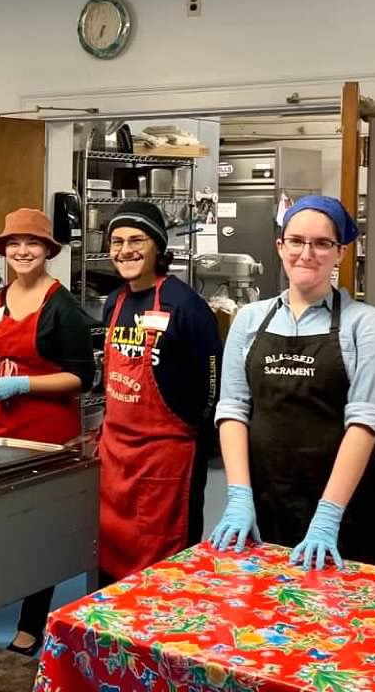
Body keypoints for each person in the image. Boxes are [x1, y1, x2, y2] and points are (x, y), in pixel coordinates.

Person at [207, 195, 375, 571]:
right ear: (280, 246)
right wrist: (239, 495)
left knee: (345, 621)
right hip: (264, 498)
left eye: (322, 243)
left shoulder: (366, 324)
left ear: (340, 252)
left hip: (344, 509)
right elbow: (232, 409)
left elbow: (365, 423)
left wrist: (328, 516)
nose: (306, 253)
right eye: (296, 241)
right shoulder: (249, 320)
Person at [0, 208, 95, 655]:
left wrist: (23, 383)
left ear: (47, 251)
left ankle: (30, 624)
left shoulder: (62, 306)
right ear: (4, 250)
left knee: (35, 530)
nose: (23, 251)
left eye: (33, 243)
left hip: (45, 433)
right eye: (15, 244)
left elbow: (83, 377)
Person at [96, 201, 221, 583]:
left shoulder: (186, 306)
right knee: (109, 557)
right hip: (116, 456)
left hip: (166, 461)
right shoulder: (114, 302)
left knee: (163, 571)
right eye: (117, 241)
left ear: (158, 247)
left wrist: (193, 434)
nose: (125, 250)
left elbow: (213, 383)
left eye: (137, 240)